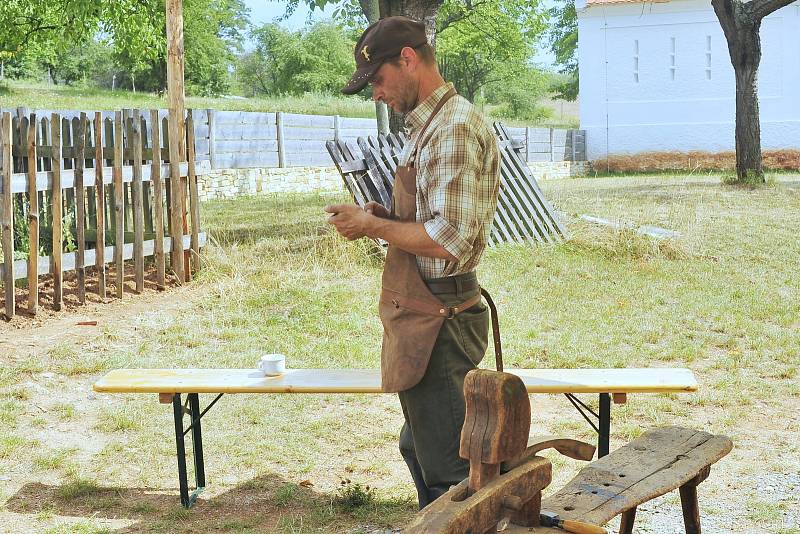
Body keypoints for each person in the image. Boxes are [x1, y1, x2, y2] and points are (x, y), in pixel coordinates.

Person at [324, 16, 500, 509]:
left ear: (407, 58)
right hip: (427, 312)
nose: (376, 94)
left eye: (377, 80)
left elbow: (450, 239)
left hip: (441, 317)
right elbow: (430, 217)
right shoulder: (429, 126)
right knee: (419, 446)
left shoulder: (454, 128)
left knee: (450, 469)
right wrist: (379, 216)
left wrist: (372, 227)